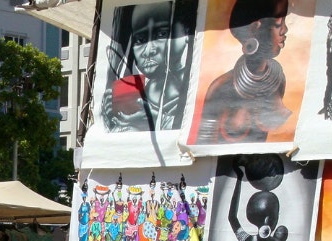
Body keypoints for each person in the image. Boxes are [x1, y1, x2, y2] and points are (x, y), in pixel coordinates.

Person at [194, 0, 292, 144]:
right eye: (278, 24)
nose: (285, 30)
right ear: (255, 28)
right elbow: (203, 145)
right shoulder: (221, 88)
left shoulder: (277, 80)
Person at [101, 1, 200, 132]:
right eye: (140, 40)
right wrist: (110, 118)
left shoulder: (197, 88)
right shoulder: (135, 93)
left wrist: (157, 119)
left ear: (187, 32)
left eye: (162, 34)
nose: (148, 51)